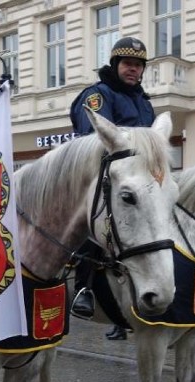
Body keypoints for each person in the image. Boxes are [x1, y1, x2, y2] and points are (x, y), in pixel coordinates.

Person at [69, 36, 154, 340]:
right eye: (128, 64)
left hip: (138, 177)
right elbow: (92, 141)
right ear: (116, 65)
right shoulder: (97, 96)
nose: (133, 70)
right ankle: (83, 289)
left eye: (138, 65)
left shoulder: (144, 102)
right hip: (102, 176)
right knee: (95, 224)